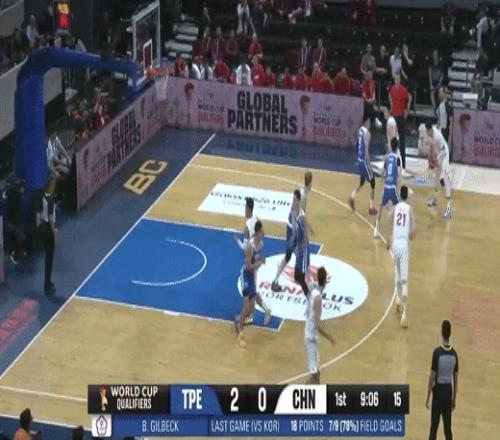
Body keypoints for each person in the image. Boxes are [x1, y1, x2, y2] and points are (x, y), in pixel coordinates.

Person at [233, 198, 272, 325]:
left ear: (248, 209)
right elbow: (263, 235)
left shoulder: (246, 228)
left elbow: (245, 248)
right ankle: (251, 315)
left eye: (245, 208)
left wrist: (237, 241)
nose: (244, 210)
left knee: (252, 292)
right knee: (252, 292)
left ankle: (259, 312)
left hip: (251, 261)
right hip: (256, 256)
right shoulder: (257, 219)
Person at [386, 185, 416, 328]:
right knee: (404, 281)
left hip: (395, 244)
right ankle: (404, 316)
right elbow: (414, 229)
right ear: (407, 196)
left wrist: (388, 237)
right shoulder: (409, 209)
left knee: (397, 274)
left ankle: (398, 299)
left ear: (399, 195)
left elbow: (388, 218)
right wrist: (411, 236)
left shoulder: (396, 207)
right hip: (403, 244)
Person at [235, 220, 265, 348]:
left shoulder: (261, 244)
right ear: (257, 232)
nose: (263, 233)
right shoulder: (249, 247)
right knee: (246, 306)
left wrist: (259, 261)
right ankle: (240, 333)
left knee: (251, 309)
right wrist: (259, 263)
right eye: (262, 231)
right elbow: (248, 266)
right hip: (246, 275)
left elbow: (257, 260)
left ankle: (239, 319)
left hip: (251, 276)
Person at [426, 320, 459, 440]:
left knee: (433, 428)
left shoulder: (437, 353)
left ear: (441, 332)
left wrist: (428, 396)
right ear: (450, 334)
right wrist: (454, 398)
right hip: (448, 391)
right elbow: (455, 379)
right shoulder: (454, 354)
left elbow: (432, 376)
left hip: (438, 392)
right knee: (447, 429)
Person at [304, 266, 335, 384]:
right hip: (310, 339)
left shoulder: (313, 289)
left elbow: (307, 280)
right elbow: (317, 326)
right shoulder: (318, 299)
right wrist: (329, 337)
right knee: (315, 377)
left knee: (316, 375)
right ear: (325, 281)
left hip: (309, 335)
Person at [271, 189, 301, 292]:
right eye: (293, 199)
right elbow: (294, 226)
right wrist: (295, 239)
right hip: (291, 234)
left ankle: (277, 280)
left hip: (293, 233)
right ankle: (276, 280)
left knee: (294, 256)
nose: (293, 200)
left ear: (299, 200)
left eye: (295, 199)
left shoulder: (299, 206)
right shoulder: (294, 209)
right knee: (292, 256)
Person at [422, 120, 452, 219]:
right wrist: (430, 158)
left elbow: (443, 150)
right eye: (427, 130)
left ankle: (448, 202)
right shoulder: (429, 134)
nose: (428, 132)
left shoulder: (438, 136)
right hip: (438, 153)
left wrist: (436, 160)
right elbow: (431, 147)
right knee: (436, 176)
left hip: (444, 153)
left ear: (431, 128)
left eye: (428, 130)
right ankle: (434, 198)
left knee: (445, 174)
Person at [349, 115, 377, 215]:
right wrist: (369, 163)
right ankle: (371, 207)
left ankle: (352, 195)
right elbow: (366, 149)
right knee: (373, 182)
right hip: (364, 161)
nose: (370, 124)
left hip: (359, 159)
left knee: (362, 181)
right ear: (367, 122)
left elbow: (358, 145)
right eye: (369, 122)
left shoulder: (360, 130)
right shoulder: (367, 133)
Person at [374, 137, 401, 238]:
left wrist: (382, 181)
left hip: (386, 187)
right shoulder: (397, 158)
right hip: (393, 188)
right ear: (397, 148)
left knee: (380, 206)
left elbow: (382, 173)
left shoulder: (387, 157)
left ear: (391, 146)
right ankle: (397, 230)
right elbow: (399, 174)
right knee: (399, 208)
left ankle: (376, 228)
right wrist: (399, 187)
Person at [389, 74, 411, 170]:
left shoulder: (403, 90)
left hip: (401, 116)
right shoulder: (392, 89)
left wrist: (407, 109)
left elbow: (409, 97)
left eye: (398, 79)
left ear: (400, 80)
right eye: (395, 79)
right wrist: (391, 105)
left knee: (402, 140)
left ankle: (404, 163)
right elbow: (390, 96)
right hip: (394, 115)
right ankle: (393, 161)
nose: (397, 80)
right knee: (393, 139)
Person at [40, 177, 57, 296]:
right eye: (53, 185)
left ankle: (47, 282)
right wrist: (54, 233)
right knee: (49, 259)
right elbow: (51, 218)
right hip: (48, 231)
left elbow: (41, 215)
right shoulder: (50, 200)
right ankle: (47, 286)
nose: (54, 187)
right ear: (50, 186)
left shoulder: (43, 197)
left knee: (48, 258)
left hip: (43, 228)